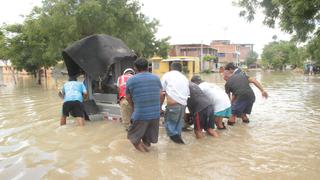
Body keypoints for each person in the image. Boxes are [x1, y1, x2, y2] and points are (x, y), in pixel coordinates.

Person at [126, 58, 163, 152]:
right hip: (155, 115)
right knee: (147, 140)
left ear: (135, 68)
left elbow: (128, 97)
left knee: (133, 138)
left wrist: (134, 108)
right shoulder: (156, 78)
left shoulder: (131, 80)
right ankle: (151, 160)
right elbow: (161, 95)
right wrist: (159, 108)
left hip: (141, 114)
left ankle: (146, 158)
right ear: (148, 67)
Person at [161, 62, 189, 144]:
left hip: (173, 105)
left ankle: (179, 146)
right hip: (183, 105)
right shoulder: (184, 77)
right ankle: (179, 151)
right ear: (181, 70)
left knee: (171, 130)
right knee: (178, 127)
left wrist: (159, 107)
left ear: (170, 68)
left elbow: (161, 92)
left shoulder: (167, 75)